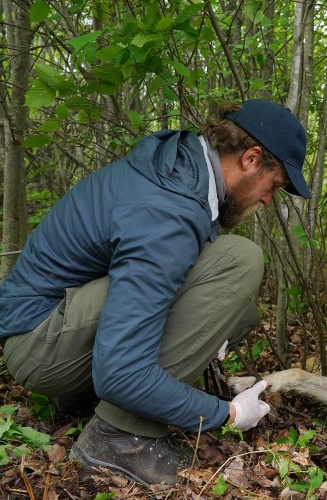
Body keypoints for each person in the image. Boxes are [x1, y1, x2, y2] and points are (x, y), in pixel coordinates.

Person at [0, 99, 311, 485]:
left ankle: (83, 398)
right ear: (251, 158)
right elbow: (121, 372)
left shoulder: (183, 171)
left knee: (241, 312)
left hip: (53, 329)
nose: (267, 199)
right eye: (274, 186)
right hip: (38, 346)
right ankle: (119, 437)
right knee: (241, 259)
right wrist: (227, 414)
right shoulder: (170, 209)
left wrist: (204, 329)